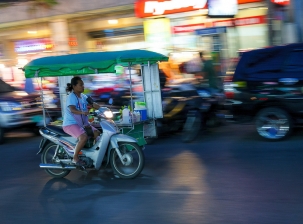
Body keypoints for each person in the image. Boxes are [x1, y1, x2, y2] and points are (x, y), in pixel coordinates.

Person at [62, 76, 101, 166]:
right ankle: (75, 158)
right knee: (83, 137)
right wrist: (83, 112)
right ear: (74, 86)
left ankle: (94, 154)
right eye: (81, 85)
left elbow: (93, 104)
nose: (83, 86)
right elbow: (72, 109)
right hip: (71, 124)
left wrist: (103, 108)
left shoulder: (83, 96)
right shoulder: (72, 97)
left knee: (97, 133)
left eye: (83, 85)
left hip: (82, 124)